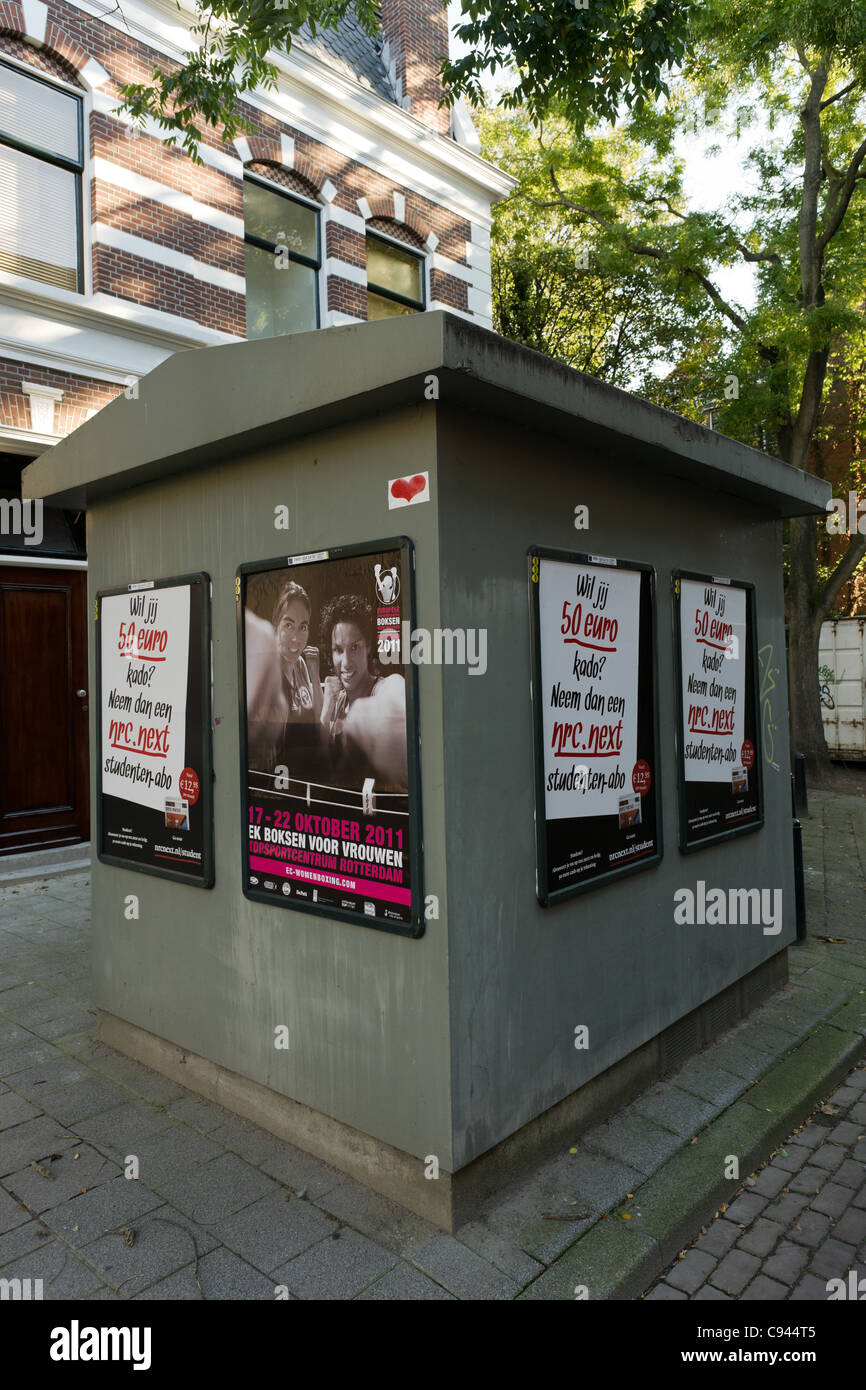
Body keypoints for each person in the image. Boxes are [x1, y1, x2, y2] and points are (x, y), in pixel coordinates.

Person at [319, 593, 407, 787]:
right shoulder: (337, 700)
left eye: (355, 647)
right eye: (338, 650)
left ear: (368, 647)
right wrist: (325, 716)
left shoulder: (381, 688)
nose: (346, 662)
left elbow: (396, 692)